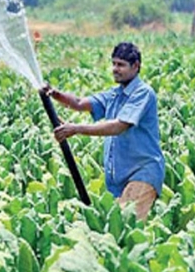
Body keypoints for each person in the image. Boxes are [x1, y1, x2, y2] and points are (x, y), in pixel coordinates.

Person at [42, 42, 164, 220]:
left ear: (136, 66)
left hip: (142, 173)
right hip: (120, 179)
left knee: (125, 224)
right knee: (120, 230)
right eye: (114, 63)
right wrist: (54, 94)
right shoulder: (114, 94)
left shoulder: (143, 93)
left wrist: (76, 129)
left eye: (121, 65)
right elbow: (78, 103)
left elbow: (119, 126)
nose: (115, 69)